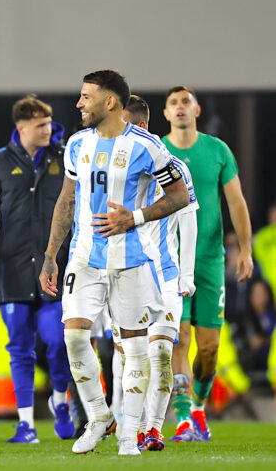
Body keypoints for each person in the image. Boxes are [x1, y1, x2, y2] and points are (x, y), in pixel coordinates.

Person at [40, 70, 189, 456]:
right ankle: (98, 417)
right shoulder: (77, 143)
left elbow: (179, 196)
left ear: (110, 102)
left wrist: (134, 217)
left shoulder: (148, 146)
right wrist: (50, 256)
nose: (79, 103)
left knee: (136, 352)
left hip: (132, 261)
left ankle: (129, 436)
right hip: (84, 258)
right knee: (73, 337)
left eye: (86, 97)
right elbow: (67, 199)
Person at [161, 86, 254, 442]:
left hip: (210, 260)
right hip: (170, 261)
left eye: (186, 102)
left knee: (210, 347)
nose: (181, 107)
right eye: (174, 103)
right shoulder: (159, 151)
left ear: (197, 110)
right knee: (180, 338)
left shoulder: (217, 150)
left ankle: (199, 408)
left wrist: (244, 250)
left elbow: (237, 203)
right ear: (166, 113)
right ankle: (183, 417)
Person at [0, 94, 74, 444]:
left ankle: (60, 400)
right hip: (14, 271)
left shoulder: (65, 157)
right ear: (21, 127)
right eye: (40, 124)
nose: (48, 129)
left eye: (50, 122)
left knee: (57, 342)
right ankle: (26, 425)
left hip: (56, 269)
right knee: (19, 347)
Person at [120, 95, 199, 451]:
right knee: (127, 355)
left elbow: (189, 220)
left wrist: (187, 273)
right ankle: (125, 422)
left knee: (160, 354)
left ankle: (152, 428)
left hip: (165, 274)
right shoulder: (113, 170)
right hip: (125, 273)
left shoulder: (175, 168)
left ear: (139, 127)